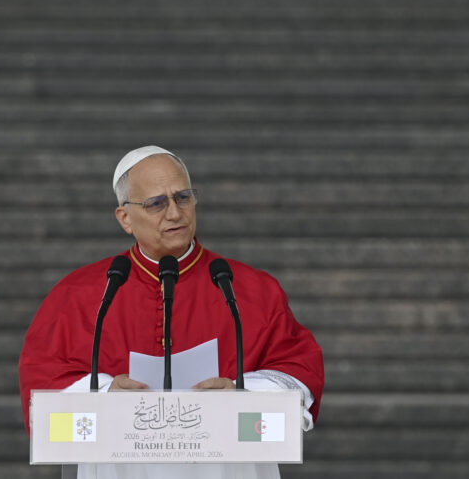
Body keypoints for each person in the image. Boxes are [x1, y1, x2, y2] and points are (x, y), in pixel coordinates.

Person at [19, 146, 324, 479]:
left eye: (183, 197)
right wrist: (105, 396)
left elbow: (299, 372)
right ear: (125, 218)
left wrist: (242, 393)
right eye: (156, 203)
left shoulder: (251, 290)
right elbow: (43, 391)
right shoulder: (79, 295)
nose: (175, 213)